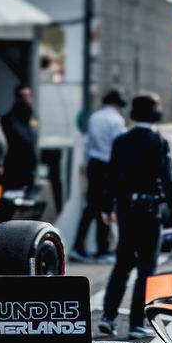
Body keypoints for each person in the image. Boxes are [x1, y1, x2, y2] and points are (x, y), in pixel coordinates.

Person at [99, 93, 172, 338]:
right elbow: (168, 182)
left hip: (126, 209)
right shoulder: (158, 142)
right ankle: (137, 322)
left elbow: (111, 179)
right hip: (150, 211)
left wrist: (107, 208)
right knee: (146, 268)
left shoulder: (121, 141)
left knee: (122, 264)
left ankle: (108, 316)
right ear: (154, 113)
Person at [70, 88, 126, 262]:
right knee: (106, 208)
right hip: (109, 165)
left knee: (91, 208)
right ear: (117, 103)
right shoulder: (117, 120)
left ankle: (79, 246)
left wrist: (87, 165)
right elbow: (119, 147)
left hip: (94, 164)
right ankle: (103, 250)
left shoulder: (95, 117)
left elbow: (88, 143)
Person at [1, 84, 40, 191]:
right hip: (13, 173)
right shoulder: (7, 121)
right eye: (22, 96)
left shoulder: (33, 119)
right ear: (17, 98)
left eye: (28, 96)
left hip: (29, 174)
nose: (26, 99)